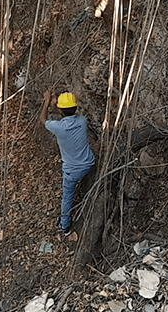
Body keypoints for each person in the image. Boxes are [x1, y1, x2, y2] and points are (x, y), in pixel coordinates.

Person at [40, 90, 95, 236]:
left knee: (67, 196)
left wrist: (47, 102)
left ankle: (65, 225)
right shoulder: (82, 121)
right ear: (75, 108)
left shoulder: (59, 128)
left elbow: (43, 119)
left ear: (61, 110)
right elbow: (69, 115)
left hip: (72, 170)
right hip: (89, 163)